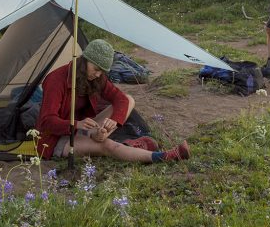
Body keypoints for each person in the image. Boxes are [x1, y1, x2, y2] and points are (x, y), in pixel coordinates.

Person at [34, 38, 190, 163]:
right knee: (106, 146)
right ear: (84, 61)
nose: (98, 75)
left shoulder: (97, 77)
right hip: (56, 138)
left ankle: (106, 137)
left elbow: (121, 100)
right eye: (96, 69)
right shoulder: (56, 80)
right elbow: (47, 121)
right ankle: (163, 156)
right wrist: (77, 124)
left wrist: (111, 123)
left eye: (102, 71)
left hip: (84, 127)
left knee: (129, 99)